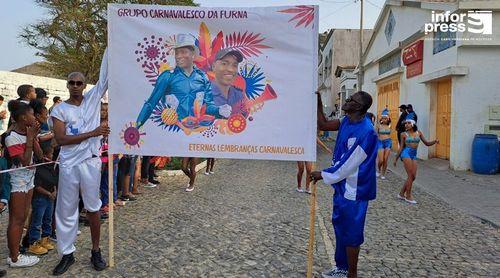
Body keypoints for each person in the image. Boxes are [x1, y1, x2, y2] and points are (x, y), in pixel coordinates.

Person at [50, 49, 109, 275]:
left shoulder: (93, 99)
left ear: (84, 86)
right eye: (71, 82)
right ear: (67, 85)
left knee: (93, 207)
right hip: (68, 165)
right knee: (66, 210)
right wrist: (93, 132)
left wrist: (110, 45)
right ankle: (67, 253)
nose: (75, 85)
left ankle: (95, 250)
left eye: (79, 82)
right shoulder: (59, 109)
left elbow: (105, 76)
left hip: (91, 162)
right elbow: (61, 139)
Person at [311, 91, 378, 278]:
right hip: (343, 186)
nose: (346, 101)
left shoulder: (367, 132)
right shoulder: (347, 120)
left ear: (359, 107)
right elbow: (323, 124)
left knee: (352, 232)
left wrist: (322, 174)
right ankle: (341, 268)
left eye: (351, 100)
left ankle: (352, 274)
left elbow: (348, 165)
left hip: (355, 190)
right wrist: (317, 102)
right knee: (340, 226)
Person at [135, 34, 231, 129]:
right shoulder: (167, 76)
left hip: (197, 132)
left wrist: (219, 110)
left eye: (183, 52)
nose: (179, 56)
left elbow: (207, 107)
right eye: (177, 53)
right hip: (173, 131)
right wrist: (137, 126)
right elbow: (150, 103)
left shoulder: (202, 77)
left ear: (193, 55)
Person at [4, 100, 43, 267]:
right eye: (31, 115)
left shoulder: (28, 133)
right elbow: (26, 161)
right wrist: (29, 138)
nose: (34, 118)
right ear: (22, 117)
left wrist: (33, 137)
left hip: (29, 178)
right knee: (17, 219)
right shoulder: (11, 137)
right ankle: (14, 258)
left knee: (24, 216)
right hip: (17, 179)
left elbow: (40, 156)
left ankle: (16, 249)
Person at [394, 113, 438, 204]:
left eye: (408, 123)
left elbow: (426, 143)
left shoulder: (419, 133)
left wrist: (435, 141)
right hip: (406, 153)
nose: (406, 125)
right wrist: (396, 158)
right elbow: (401, 147)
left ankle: (401, 193)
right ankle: (408, 196)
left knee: (413, 177)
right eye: (405, 123)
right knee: (410, 175)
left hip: (414, 154)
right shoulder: (403, 134)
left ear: (413, 124)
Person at [27, 141, 57, 255]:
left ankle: (45, 238)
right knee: (37, 221)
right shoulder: (39, 168)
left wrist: (54, 190)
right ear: (44, 155)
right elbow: (37, 186)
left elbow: (54, 179)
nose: (53, 155)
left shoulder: (50, 166)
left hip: (50, 196)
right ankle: (33, 242)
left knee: (47, 219)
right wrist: (48, 193)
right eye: (51, 153)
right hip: (40, 198)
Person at [377, 108, 392, 180]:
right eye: (383, 118)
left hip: (388, 143)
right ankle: (379, 169)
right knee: (381, 160)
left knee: (385, 159)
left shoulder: (390, 126)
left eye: (385, 118)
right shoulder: (378, 126)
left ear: (388, 119)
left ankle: (383, 173)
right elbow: (376, 135)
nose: (384, 119)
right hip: (380, 142)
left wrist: (387, 112)